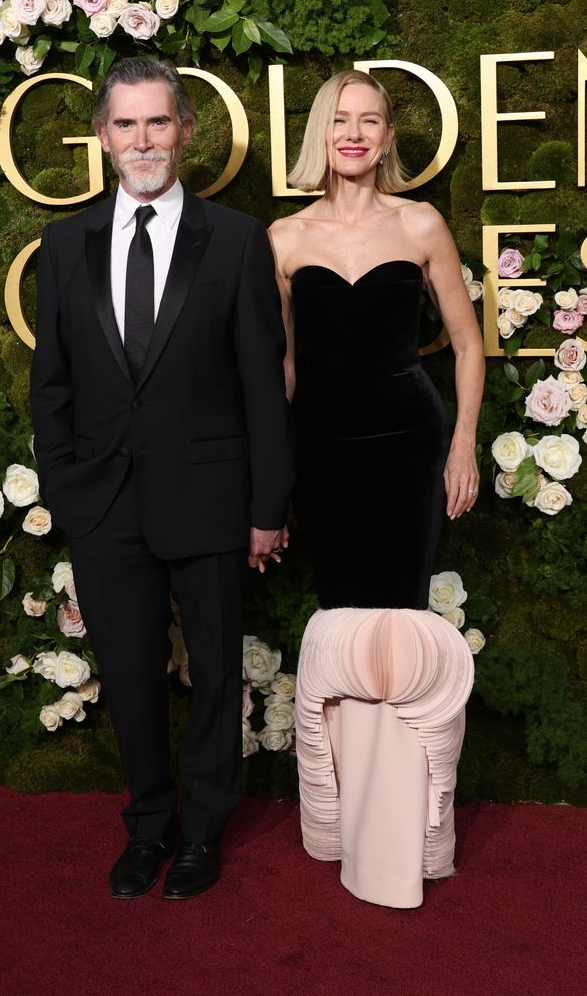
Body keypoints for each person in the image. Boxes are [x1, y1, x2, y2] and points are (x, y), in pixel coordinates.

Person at [30, 58, 294, 901]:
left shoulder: (239, 240)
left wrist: (266, 507)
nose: (142, 140)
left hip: (211, 499)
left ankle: (203, 833)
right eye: (125, 125)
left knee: (216, 671)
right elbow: (54, 386)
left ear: (184, 130)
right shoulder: (65, 243)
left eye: (157, 123)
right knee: (130, 671)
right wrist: (67, 490)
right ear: (103, 138)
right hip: (102, 504)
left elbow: (263, 382)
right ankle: (147, 828)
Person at [269, 70, 484, 908]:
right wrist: (275, 480)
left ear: (389, 137)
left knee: (401, 625)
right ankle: (350, 826)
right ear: (321, 134)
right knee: (343, 630)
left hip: (408, 447)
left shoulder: (422, 223)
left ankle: (409, 840)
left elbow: (467, 345)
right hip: (322, 451)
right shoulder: (283, 238)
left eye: (370, 121)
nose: (354, 134)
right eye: (340, 121)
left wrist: (462, 444)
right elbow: (281, 370)